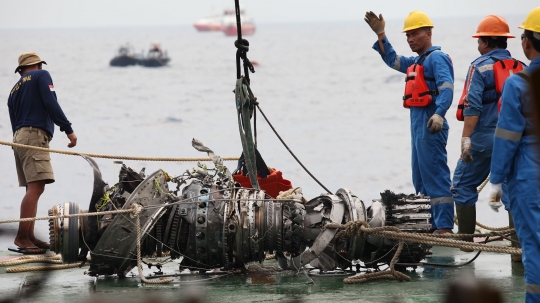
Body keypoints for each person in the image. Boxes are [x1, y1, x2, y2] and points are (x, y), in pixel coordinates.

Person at [365, 11, 455, 233]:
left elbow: (447, 87)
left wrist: (440, 113)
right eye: (407, 35)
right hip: (418, 127)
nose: (410, 39)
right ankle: (430, 224)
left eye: (415, 34)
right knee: (421, 178)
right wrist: (381, 34)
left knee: (435, 174)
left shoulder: (437, 58)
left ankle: (443, 227)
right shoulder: (417, 62)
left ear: (429, 33)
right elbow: (392, 60)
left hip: (432, 124)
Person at [451, 16, 521, 251]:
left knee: (462, 185)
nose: (477, 45)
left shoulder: (478, 66)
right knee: (514, 192)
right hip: (514, 141)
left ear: (487, 42)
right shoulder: (521, 67)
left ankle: (466, 244)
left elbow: (473, 107)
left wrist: (465, 140)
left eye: (479, 40)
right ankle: (518, 250)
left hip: (484, 140)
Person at [487, 6, 540, 302]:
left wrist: (495, 182)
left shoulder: (518, 83)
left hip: (528, 175)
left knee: (533, 244)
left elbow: (507, 137)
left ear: (528, 42)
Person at [7, 52, 77, 254]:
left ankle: (29, 236)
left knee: (32, 187)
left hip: (18, 138)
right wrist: (68, 129)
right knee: (36, 188)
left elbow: (14, 120)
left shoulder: (13, 90)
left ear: (20, 70)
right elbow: (50, 102)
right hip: (34, 136)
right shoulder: (41, 75)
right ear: (37, 65)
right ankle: (22, 237)